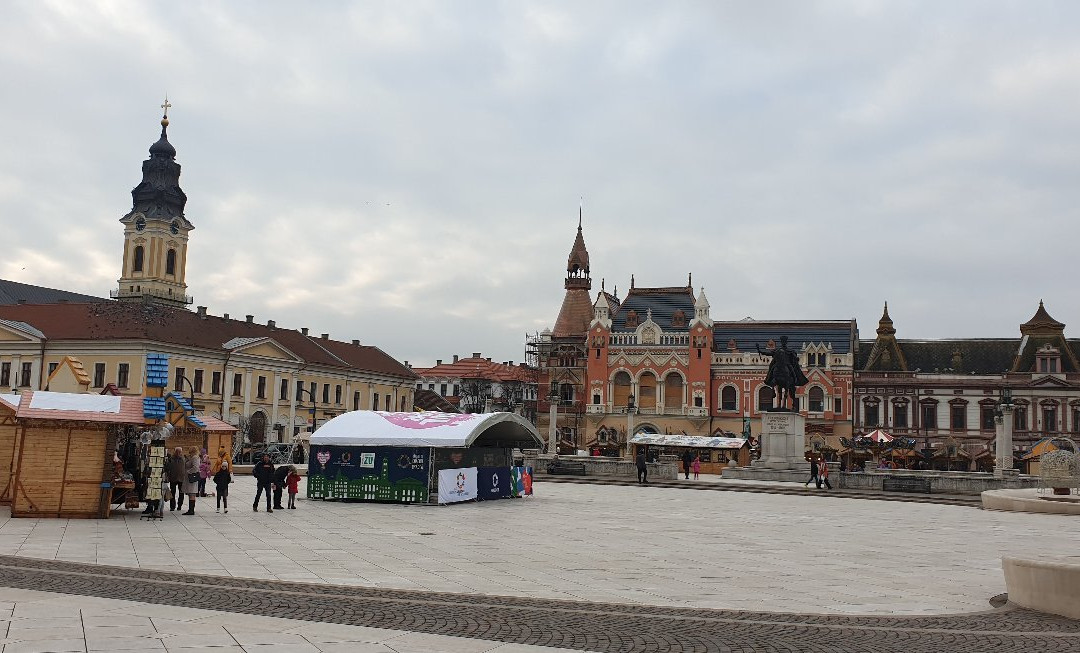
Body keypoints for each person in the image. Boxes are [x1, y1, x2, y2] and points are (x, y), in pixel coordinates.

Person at [181, 447, 200, 515]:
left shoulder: (195, 457)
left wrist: (188, 472)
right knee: (190, 493)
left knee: (192, 493)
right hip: (189, 478)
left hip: (191, 478)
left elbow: (195, 467)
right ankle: (190, 509)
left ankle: (191, 510)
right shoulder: (192, 457)